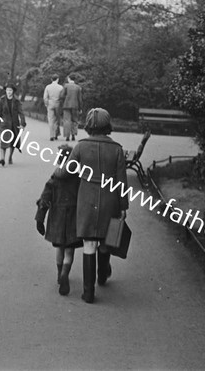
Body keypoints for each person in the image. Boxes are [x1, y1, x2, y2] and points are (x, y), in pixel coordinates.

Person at [55, 108, 128, 303]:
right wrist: (123, 207)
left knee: (89, 243)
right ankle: (103, 274)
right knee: (105, 242)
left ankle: (88, 293)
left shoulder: (80, 147)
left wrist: (57, 171)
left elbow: (65, 173)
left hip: (86, 200)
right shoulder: (117, 149)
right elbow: (122, 183)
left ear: (88, 126)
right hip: (110, 200)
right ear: (108, 126)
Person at [35, 144, 82, 295]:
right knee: (69, 250)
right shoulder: (78, 179)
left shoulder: (54, 179)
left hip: (57, 219)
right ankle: (65, 274)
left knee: (59, 249)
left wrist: (39, 219)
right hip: (73, 219)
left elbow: (44, 199)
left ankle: (59, 273)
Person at [0, 83, 26, 166]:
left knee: (13, 141)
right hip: (4, 123)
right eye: (7, 90)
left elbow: (21, 112)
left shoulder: (16, 101)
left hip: (14, 123)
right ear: (5, 91)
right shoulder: (2, 100)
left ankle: (10, 157)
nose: (8, 92)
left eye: (10, 90)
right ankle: (2, 158)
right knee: (4, 140)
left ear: (13, 91)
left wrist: (23, 123)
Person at [59, 73, 83, 142]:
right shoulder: (78, 87)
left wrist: (65, 98)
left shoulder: (66, 86)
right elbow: (80, 99)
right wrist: (80, 108)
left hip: (66, 106)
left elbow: (61, 96)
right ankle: (73, 135)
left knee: (67, 121)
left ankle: (67, 136)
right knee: (75, 120)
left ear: (69, 79)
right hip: (75, 106)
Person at [43, 74, 63, 141]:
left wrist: (46, 104)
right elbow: (62, 97)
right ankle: (56, 134)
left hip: (50, 103)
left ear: (51, 79)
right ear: (57, 79)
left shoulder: (48, 87)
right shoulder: (60, 87)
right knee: (57, 120)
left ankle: (51, 135)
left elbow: (45, 97)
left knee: (51, 120)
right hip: (58, 104)